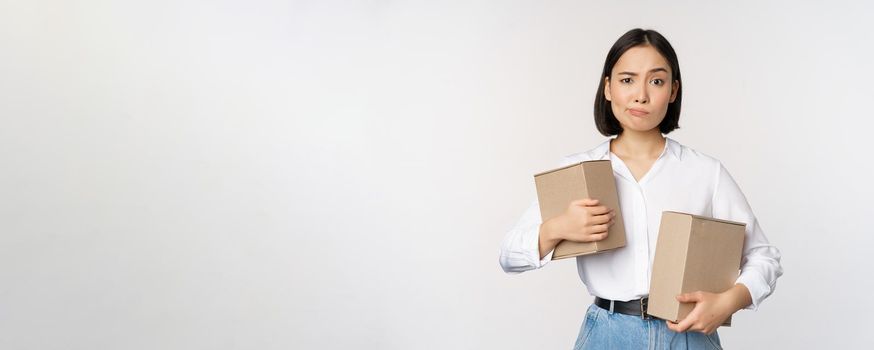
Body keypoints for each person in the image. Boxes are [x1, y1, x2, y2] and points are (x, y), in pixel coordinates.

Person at [498, 28, 783, 349]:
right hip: (607, 335)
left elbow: (764, 256)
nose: (641, 95)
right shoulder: (578, 172)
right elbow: (509, 257)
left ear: (673, 91)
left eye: (656, 81)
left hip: (688, 335)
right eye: (627, 80)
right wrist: (557, 228)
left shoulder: (705, 172)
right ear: (607, 88)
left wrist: (729, 301)